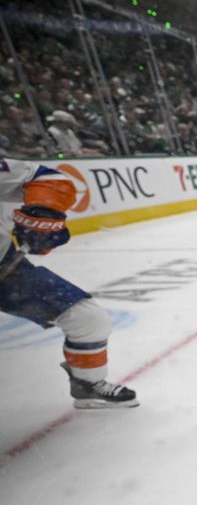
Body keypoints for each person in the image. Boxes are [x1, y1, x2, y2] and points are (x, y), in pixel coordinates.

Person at [1, 156, 138, 408]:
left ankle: (87, 384)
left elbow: (49, 179)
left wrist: (43, 212)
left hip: (7, 273)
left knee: (88, 319)